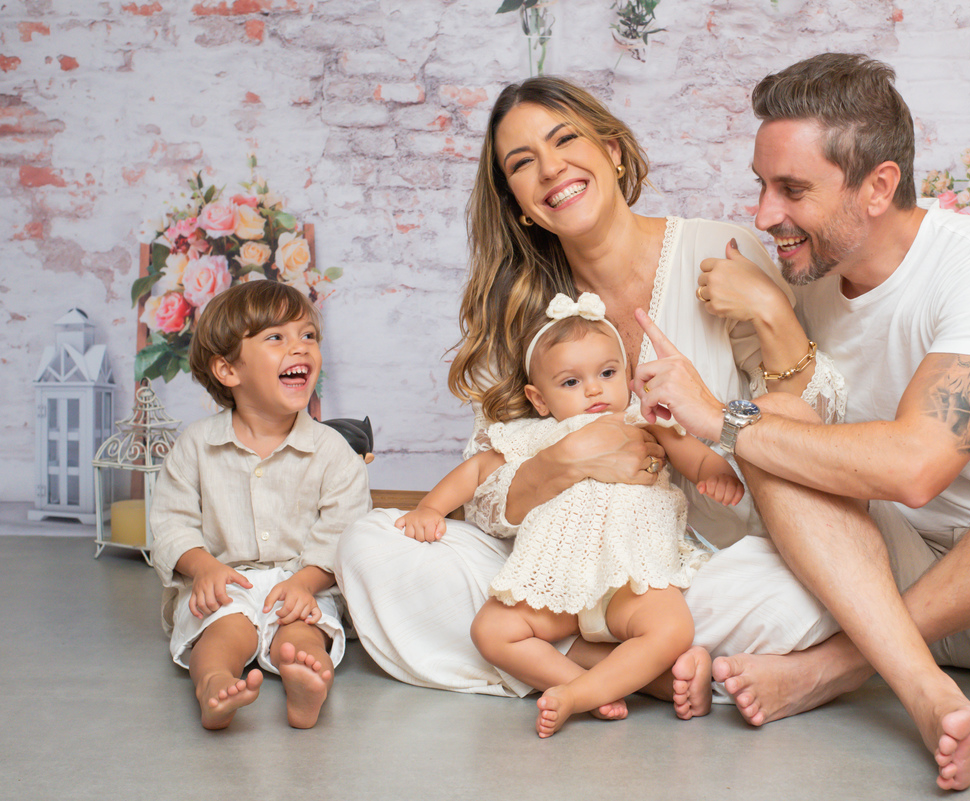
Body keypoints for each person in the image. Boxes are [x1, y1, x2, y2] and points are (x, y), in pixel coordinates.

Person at [632, 53, 970, 791]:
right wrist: (770, 317)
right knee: (778, 422)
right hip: (891, 570)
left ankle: (836, 668)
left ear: (878, 186)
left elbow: (916, 467)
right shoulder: (808, 279)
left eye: (792, 190)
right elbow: (796, 451)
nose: (763, 215)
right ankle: (927, 689)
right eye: (761, 185)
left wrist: (717, 418)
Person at [333, 76, 842, 721]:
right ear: (518, 202)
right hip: (556, 567)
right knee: (370, 544)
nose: (551, 169)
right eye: (522, 163)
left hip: (693, 567)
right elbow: (488, 498)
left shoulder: (717, 251)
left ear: (613, 152)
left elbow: (816, 428)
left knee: (808, 585)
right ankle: (629, 670)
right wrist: (566, 461)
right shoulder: (521, 309)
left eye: (564, 140)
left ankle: (598, 660)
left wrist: (770, 309)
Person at [398, 292, 744, 736]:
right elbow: (477, 471)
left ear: (627, 374)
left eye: (607, 373)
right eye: (571, 382)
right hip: (557, 578)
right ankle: (586, 687)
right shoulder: (539, 434)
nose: (594, 389)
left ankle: (582, 695)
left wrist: (716, 473)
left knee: (672, 628)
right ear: (539, 399)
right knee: (491, 631)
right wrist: (431, 507)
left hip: (631, 576)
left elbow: (694, 456)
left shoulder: (644, 420)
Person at [150, 281, 370, 730]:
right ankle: (214, 683)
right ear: (228, 369)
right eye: (276, 337)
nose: (300, 347)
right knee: (222, 630)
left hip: (302, 581)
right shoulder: (196, 445)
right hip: (225, 582)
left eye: (308, 335)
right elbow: (171, 524)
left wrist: (306, 582)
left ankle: (305, 677)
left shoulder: (332, 451)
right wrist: (203, 568)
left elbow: (344, 531)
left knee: (302, 631)